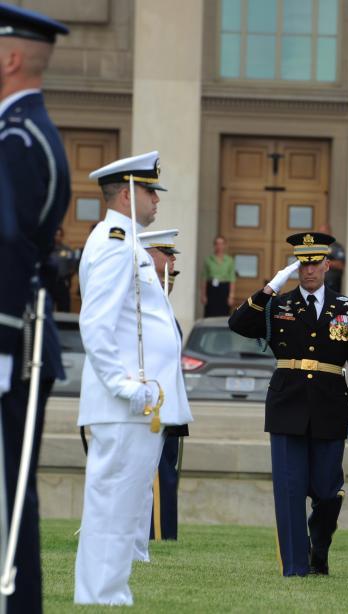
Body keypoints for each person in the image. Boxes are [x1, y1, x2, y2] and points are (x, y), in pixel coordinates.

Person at [74, 151, 193, 606]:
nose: (156, 200)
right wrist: (123, 385)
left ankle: (107, 593)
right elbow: (96, 321)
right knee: (114, 503)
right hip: (126, 402)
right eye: (149, 191)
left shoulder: (125, 242)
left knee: (123, 506)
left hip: (138, 403)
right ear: (127, 193)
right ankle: (102, 596)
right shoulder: (115, 241)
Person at [229, 232, 348, 577]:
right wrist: (270, 288)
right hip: (287, 405)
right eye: (302, 264)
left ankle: (318, 549)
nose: (309, 270)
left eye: (315, 263)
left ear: (327, 265)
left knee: (327, 491)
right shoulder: (278, 305)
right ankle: (295, 565)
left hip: (330, 406)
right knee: (290, 490)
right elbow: (238, 324)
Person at [0, 6, 70, 612]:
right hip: (17, 340)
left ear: (10, 58)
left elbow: (9, 247)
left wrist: (0, 347)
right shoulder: (19, 133)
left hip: (12, 345)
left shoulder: (18, 140)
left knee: (6, 503)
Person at [138, 229, 187, 545]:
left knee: (167, 470)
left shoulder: (163, 308)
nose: (172, 262)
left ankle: (164, 534)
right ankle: (156, 535)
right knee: (155, 473)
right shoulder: (141, 305)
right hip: (151, 404)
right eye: (166, 255)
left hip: (168, 403)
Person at [201, 235, 236, 317]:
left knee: (223, 314)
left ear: (225, 245)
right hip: (211, 289)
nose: (219, 246)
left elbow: (232, 279)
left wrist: (231, 296)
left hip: (224, 289)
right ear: (214, 245)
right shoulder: (208, 260)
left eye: (221, 244)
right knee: (210, 313)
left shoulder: (229, 260)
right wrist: (203, 295)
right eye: (217, 244)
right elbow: (204, 278)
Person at [48, 227, 78, 312]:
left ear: (62, 236)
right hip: (49, 282)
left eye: (59, 235)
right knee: (47, 308)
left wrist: (68, 277)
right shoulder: (47, 249)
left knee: (64, 308)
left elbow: (73, 266)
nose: (57, 237)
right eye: (56, 235)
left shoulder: (68, 251)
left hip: (63, 283)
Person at [321, 223, 346, 292]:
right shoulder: (315, 248)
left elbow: (341, 265)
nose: (323, 235)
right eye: (321, 232)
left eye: (325, 232)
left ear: (330, 233)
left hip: (332, 283)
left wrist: (325, 263)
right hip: (317, 284)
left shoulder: (336, 247)